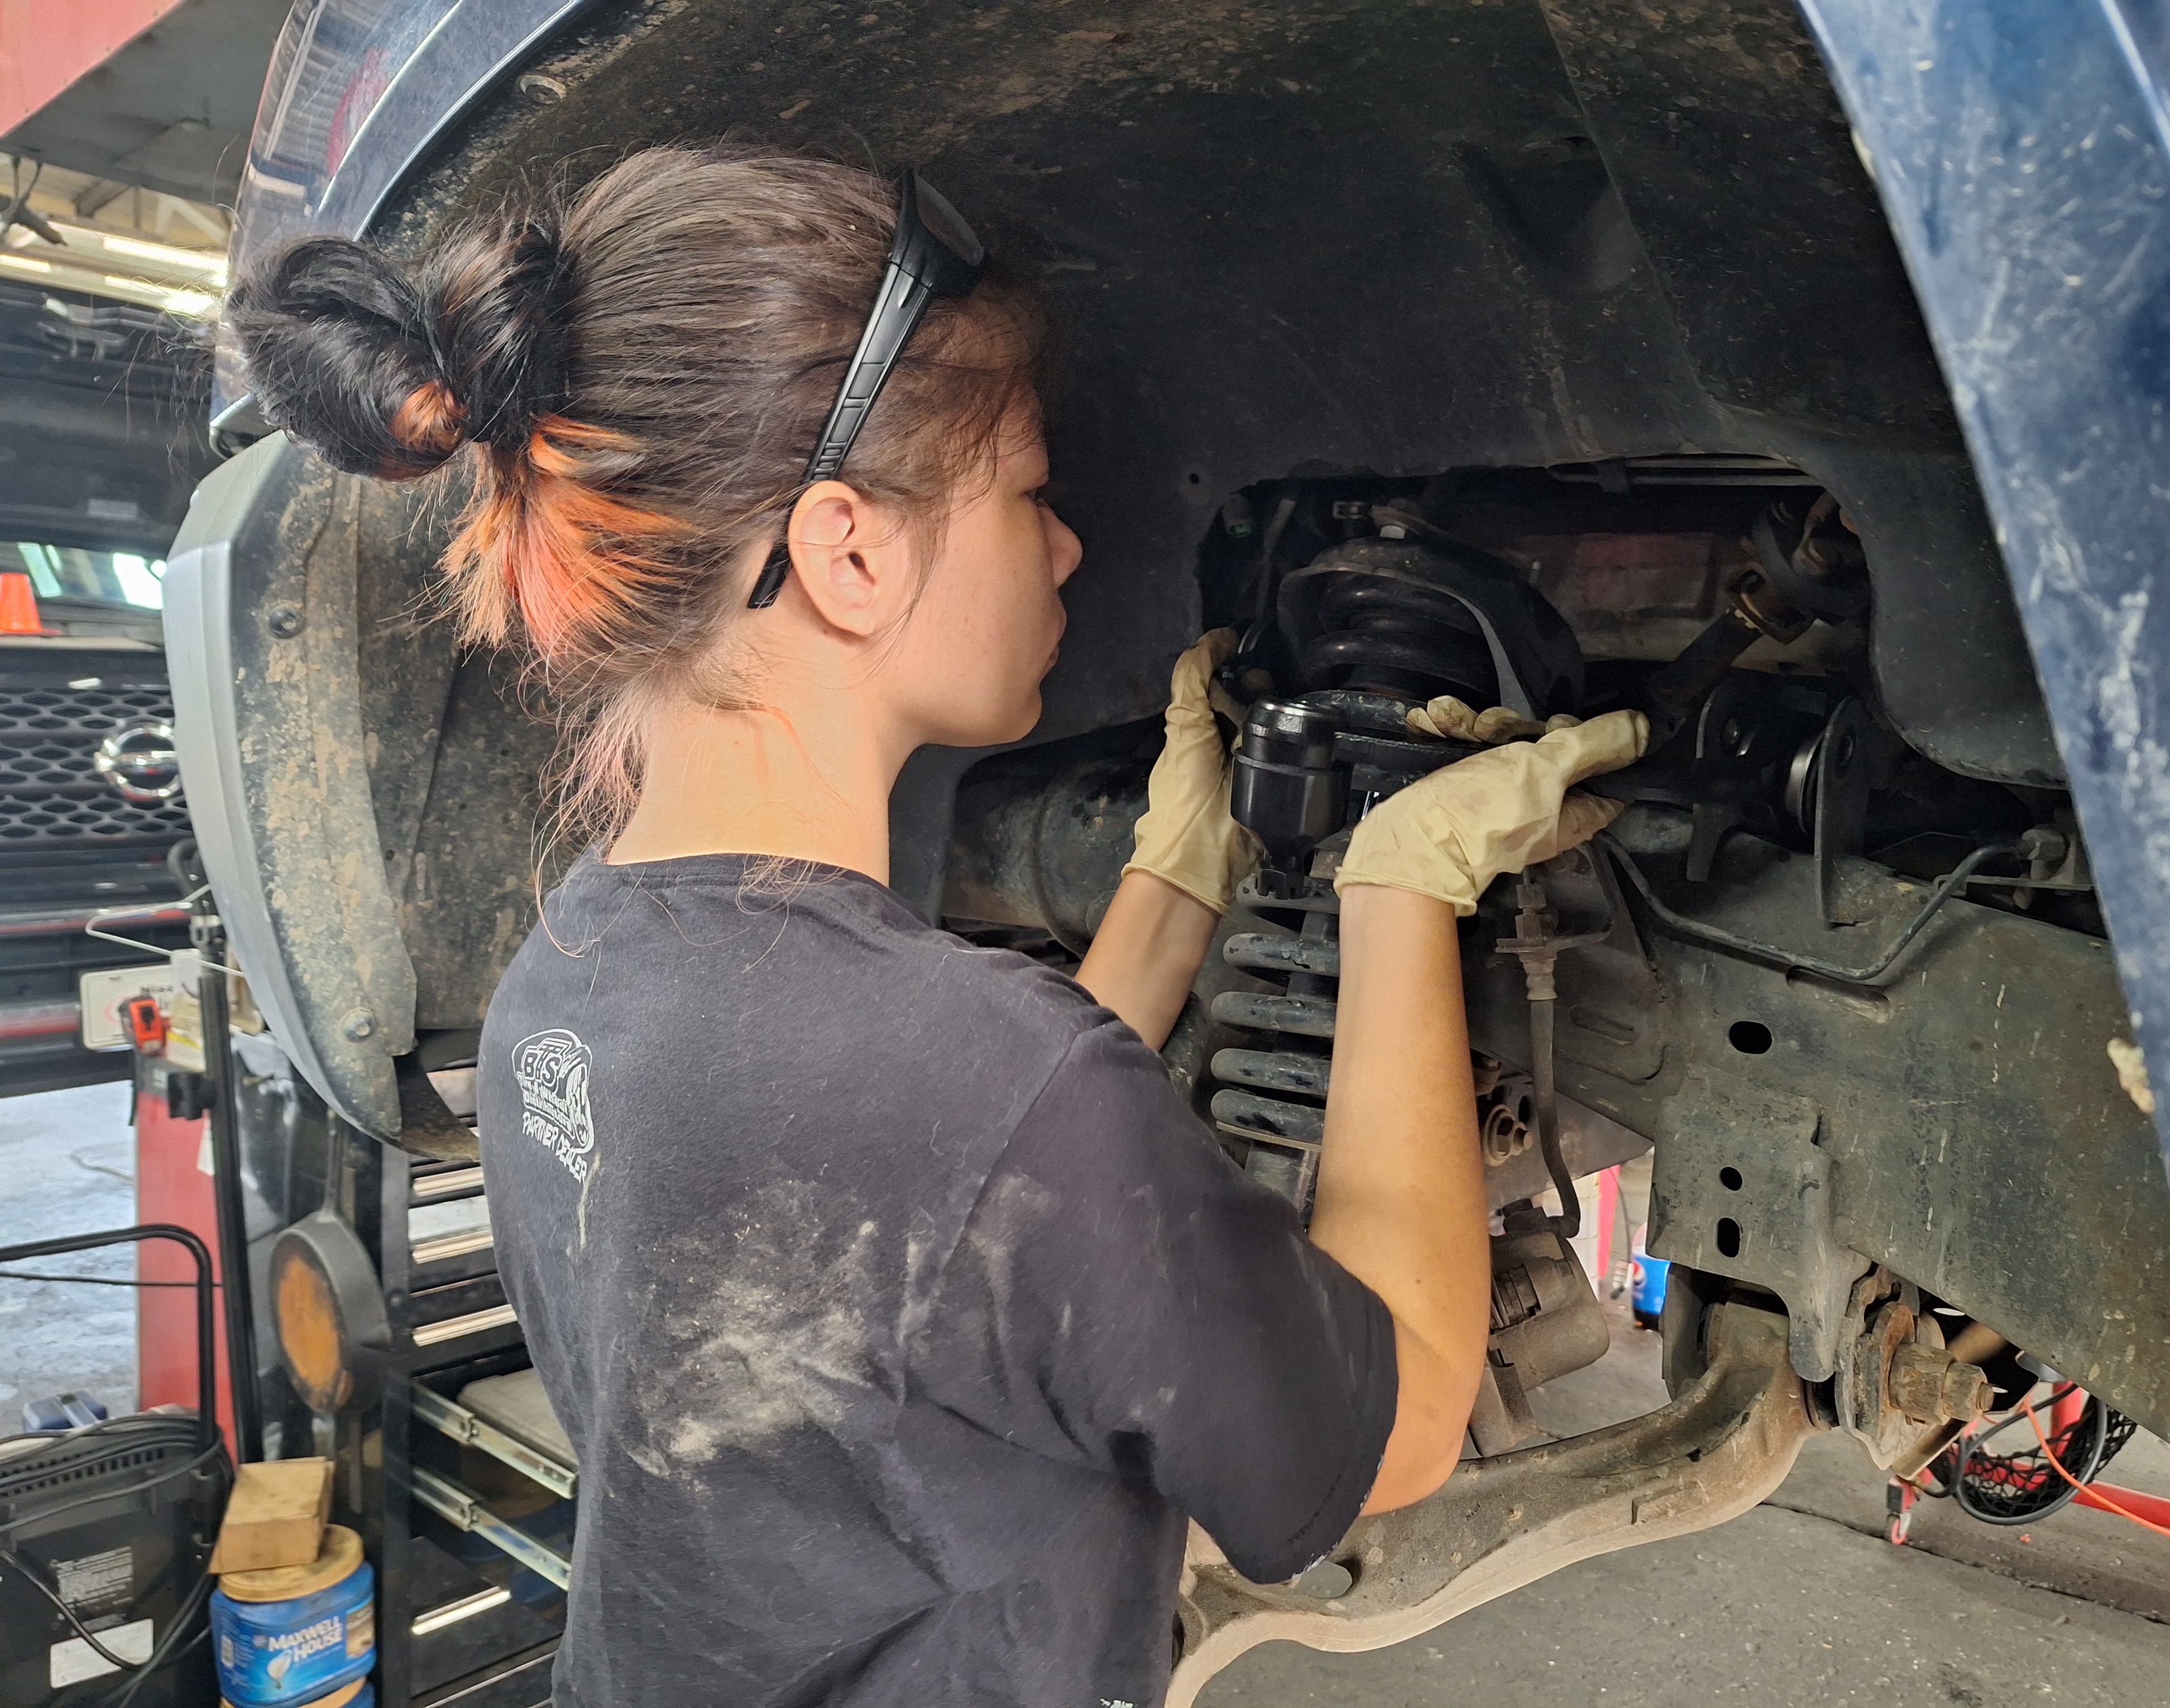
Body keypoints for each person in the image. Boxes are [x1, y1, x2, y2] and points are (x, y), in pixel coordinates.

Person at [227, 146, 1646, 1708]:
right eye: (1032, 492)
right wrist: (1401, 891)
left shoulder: (562, 989)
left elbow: (930, 1224)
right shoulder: (987, 1090)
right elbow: (1403, 1410)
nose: (1070, 547)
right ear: (846, 549)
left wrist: (1171, 888)